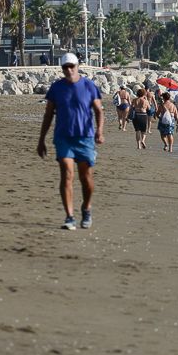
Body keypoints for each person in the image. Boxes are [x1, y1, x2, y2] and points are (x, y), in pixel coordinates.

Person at [37, 52, 104, 230]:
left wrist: (100, 131)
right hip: (63, 137)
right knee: (67, 174)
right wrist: (41, 139)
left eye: (71, 66)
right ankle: (69, 217)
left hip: (85, 137)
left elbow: (99, 111)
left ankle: (86, 208)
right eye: (65, 67)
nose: (68, 70)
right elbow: (48, 114)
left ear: (77, 66)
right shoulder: (56, 88)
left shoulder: (89, 86)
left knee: (86, 177)